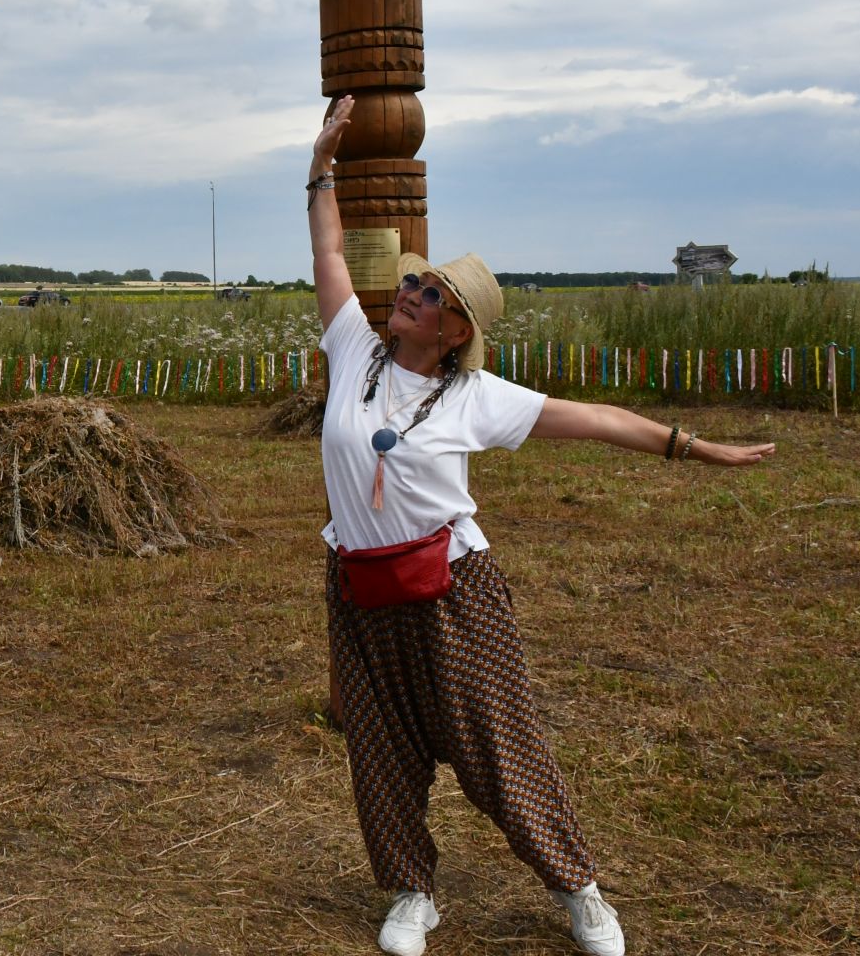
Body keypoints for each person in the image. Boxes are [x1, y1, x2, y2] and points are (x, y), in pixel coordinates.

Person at [306, 94, 773, 956]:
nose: (410, 291)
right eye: (412, 281)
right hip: (360, 587)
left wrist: (696, 448)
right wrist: (319, 169)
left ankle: (578, 888)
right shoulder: (352, 351)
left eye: (430, 292)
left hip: (453, 589)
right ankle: (413, 892)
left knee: (497, 746)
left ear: (456, 333)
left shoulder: (475, 396)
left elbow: (596, 418)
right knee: (379, 753)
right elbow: (329, 251)